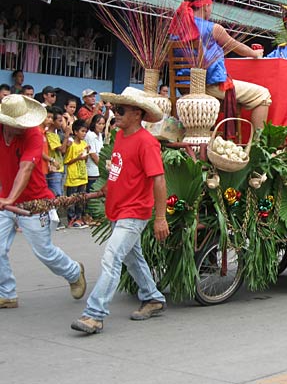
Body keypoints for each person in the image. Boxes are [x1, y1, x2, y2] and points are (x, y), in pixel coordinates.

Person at [71, 87, 169, 334]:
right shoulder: (120, 136)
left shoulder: (147, 143)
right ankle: (153, 297)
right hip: (117, 209)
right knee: (132, 258)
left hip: (134, 212)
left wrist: (160, 218)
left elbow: (158, 180)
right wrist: (105, 189)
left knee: (112, 258)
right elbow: (119, 171)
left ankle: (94, 314)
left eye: (121, 110)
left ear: (137, 114)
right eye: (115, 109)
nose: (116, 114)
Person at [0, 94, 86, 309]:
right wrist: (7, 198)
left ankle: (74, 272)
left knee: (44, 251)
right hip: (5, 202)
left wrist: (11, 197)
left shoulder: (33, 135)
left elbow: (26, 168)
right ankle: (7, 293)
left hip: (34, 202)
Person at [170, 0, 271, 131]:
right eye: (211, 5)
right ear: (205, 6)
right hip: (209, 87)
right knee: (263, 95)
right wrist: (255, 53)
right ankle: (257, 145)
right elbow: (237, 47)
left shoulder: (176, 30)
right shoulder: (213, 29)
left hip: (184, 88)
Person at [64, 120, 90, 228]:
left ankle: (79, 218)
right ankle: (71, 218)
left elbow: (86, 159)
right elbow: (67, 161)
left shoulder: (84, 144)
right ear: (75, 132)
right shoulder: (72, 145)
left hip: (82, 176)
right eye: (82, 131)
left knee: (81, 199)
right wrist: (78, 158)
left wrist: (87, 153)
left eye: (85, 131)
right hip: (73, 176)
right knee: (72, 199)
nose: (84, 134)